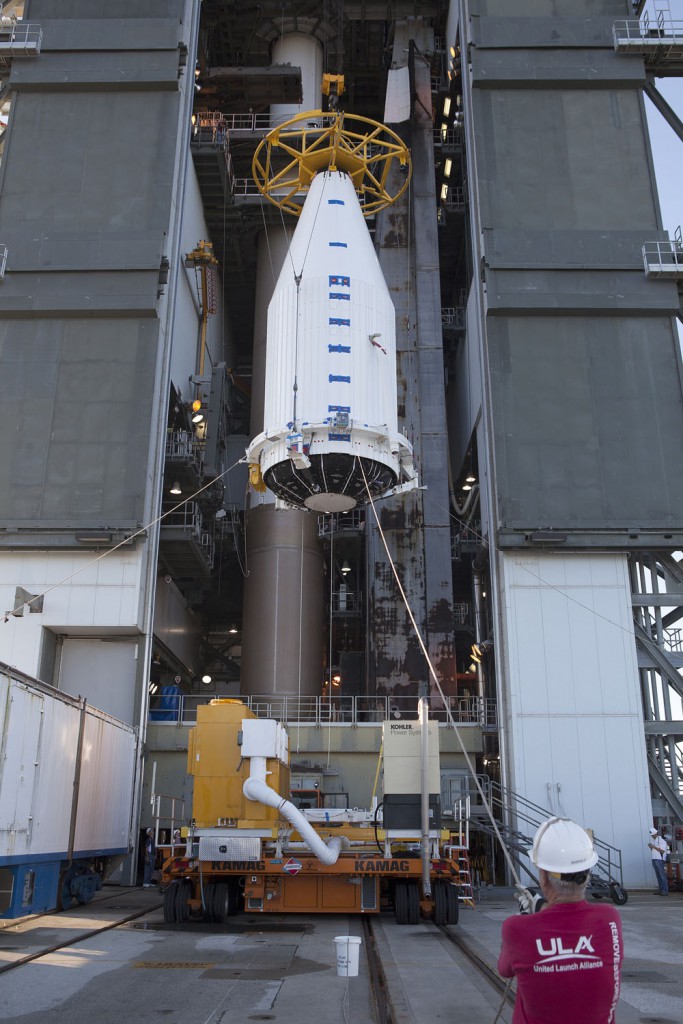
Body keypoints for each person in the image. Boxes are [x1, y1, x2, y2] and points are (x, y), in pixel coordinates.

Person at [498, 816, 623, 1024]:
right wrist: (541, 909)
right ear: (588, 873)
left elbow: (505, 969)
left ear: (543, 877)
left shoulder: (517, 928)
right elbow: (569, 922)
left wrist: (531, 915)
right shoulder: (609, 919)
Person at [647, 826, 669, 896]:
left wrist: (653, 847)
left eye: (653, 835)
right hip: (654, 859)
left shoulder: (661, 841)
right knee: (658, 876)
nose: (652, 836)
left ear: (655, 834)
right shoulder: (655, 840)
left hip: (659, 859)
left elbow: (662, 851)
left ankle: (665, 891)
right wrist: (651, 847)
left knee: (662, 876)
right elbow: (655, 850)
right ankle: (661, 890)